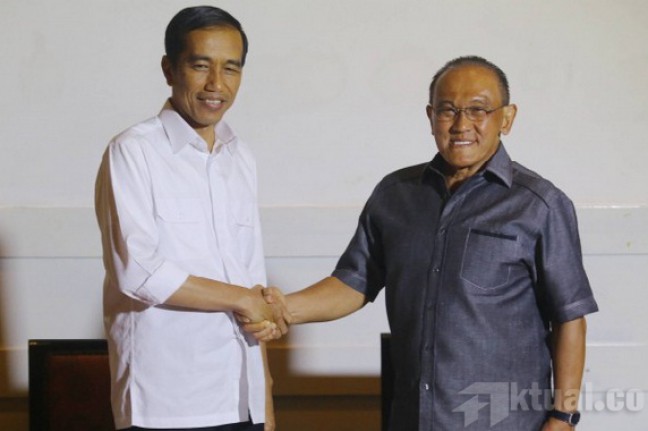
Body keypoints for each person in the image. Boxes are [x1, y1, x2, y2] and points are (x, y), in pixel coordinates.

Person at [248, 56, 598, 430]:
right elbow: (354, 283)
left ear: (507, 118)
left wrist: (563, 417)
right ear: (431, 117)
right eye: (448, 110)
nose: (461, 124)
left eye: (478, 110)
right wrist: (283, 309)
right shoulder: (394, 196)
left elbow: (569, 318)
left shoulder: (540, 205)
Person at [95, 6, 284, 431]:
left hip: (240, 397)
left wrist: (265, 398)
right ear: (169, 69)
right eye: (200, 66)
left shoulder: (241, 157)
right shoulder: (133, 150)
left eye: (231, 68)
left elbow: (250, 277)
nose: (216, 84)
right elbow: (138, 272)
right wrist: (242, 299)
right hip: (165, 402)